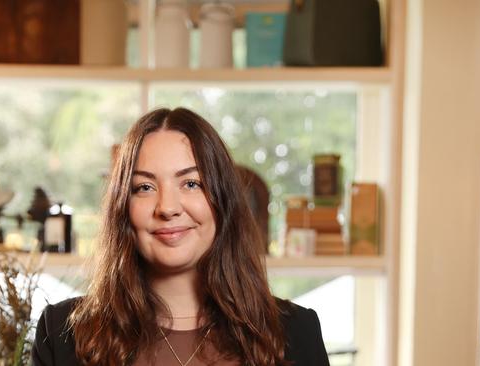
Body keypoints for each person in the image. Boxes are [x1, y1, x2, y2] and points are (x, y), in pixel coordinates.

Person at [32, 107, 330, 366]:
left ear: (222, 200)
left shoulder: (296, 332)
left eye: (190, 183)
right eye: (144, 187)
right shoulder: (63, 333)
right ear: (123, 207)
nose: (168, 208)